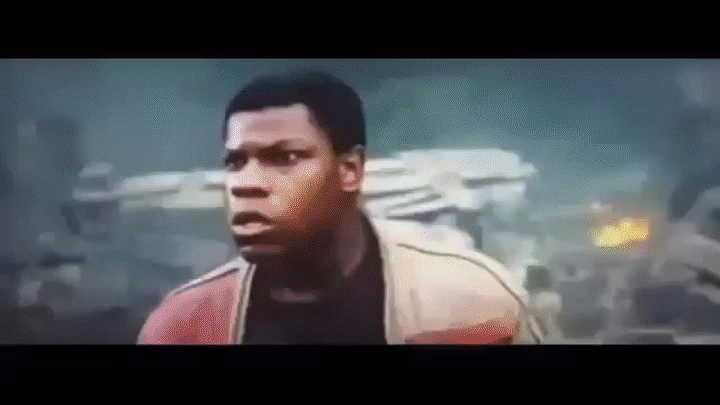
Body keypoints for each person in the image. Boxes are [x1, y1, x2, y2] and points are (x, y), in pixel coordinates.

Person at [138, 71, 543, 345]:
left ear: (350, 170)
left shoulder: (472, 302)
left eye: (285, 158)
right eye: (235, 162)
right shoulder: (183, 327)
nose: (246, 184)